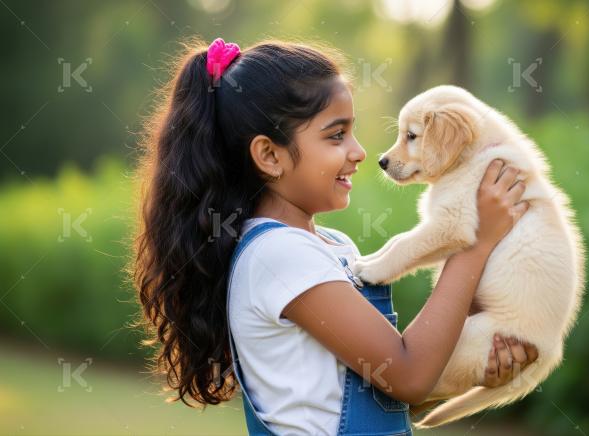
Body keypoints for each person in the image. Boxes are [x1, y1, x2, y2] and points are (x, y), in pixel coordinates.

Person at [130, 37, 537, 435]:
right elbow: (408, 373)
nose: (360, 151)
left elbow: (385, 389)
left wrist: (468, 374)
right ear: (270, 156)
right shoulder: (278, 256)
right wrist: (476, 241)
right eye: (336, 135)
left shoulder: (332, 248)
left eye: (352, 132)